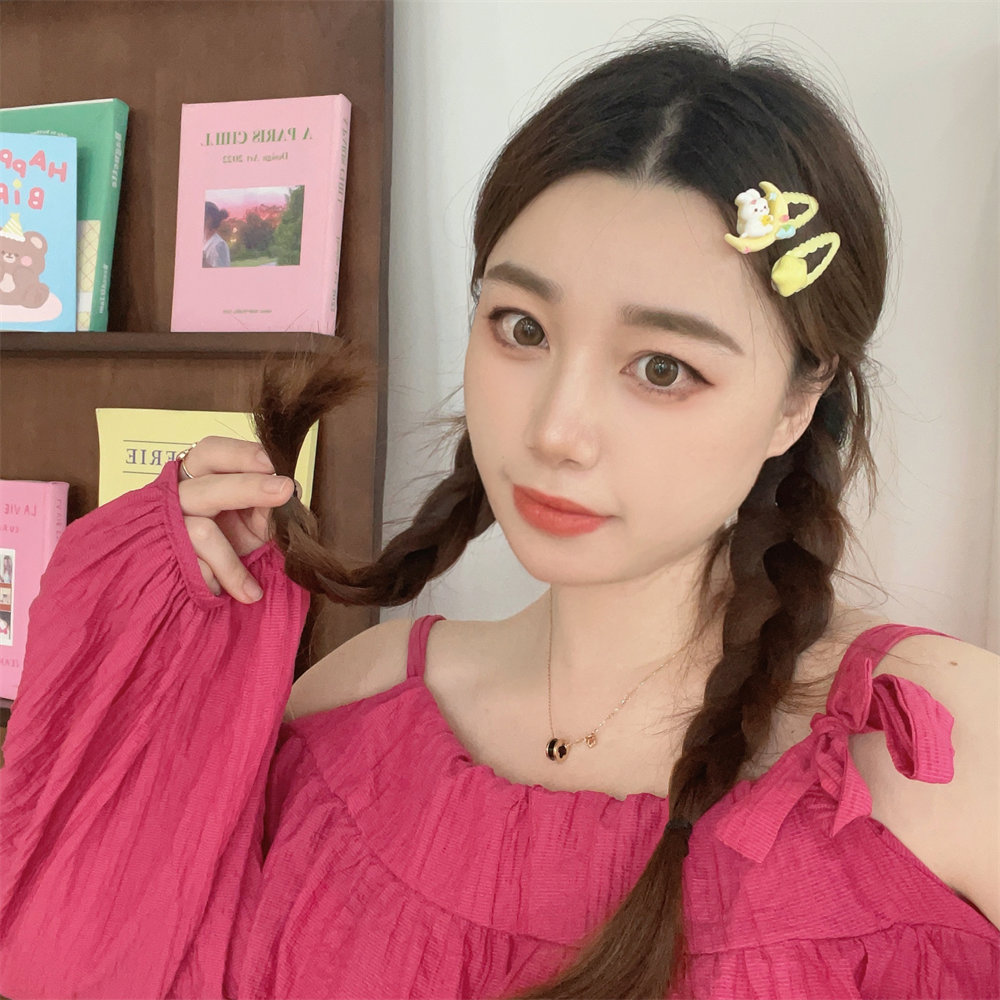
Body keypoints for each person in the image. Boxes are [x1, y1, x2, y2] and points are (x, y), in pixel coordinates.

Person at [1, 34, 997, 1000]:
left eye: (663, 368)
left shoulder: (942, 747)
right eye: (521, 328)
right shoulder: (350, 712)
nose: (554, 429)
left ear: (797, 401)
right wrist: (150, 642)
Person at [203, 200, 231, 267]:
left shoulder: (219, 245)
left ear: (209, 219)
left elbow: (223, 272)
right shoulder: (203, 241)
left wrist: (203, 262)